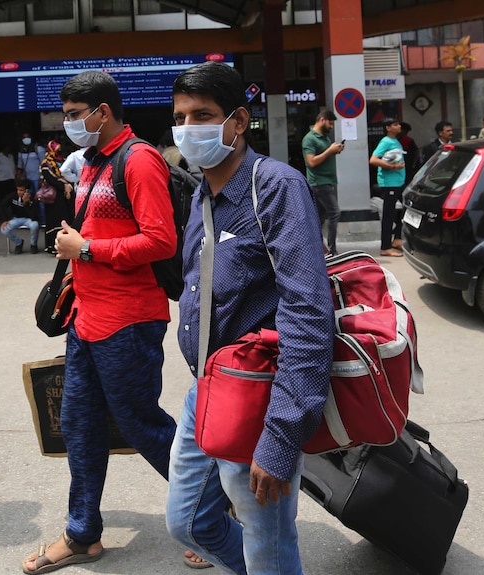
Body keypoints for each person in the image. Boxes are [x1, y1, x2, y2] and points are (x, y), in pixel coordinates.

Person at [165, 61, 334, 575]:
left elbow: (308, 312)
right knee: (187, 523)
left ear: (238, 122)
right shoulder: (201, 196)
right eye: (180, 117)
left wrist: (281, 437)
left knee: (268, 537)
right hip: (207, 389)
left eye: (203, 115)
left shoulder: (277, 187)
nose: (189, 128)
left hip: (259, 397)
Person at [21, 70, 180, 574]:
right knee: (78, 424)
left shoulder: (140, 160)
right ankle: (83, 533)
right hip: (87, 318)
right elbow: (105, 226)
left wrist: (86, 247)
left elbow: (161, 241)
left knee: (142, 424)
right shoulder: (91, 161)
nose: (69, 124)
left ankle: (213, 513)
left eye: (73, 115)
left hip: (129, 321)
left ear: (102, 112)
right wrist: (77, 238)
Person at [301, 109, 344, 255]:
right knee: (335, 213)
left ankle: (315, 247)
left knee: (319, 218)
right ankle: (332, 250)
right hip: (319, 183)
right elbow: (311, 162)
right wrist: (329, 151)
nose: (331, 126)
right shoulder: (309, 139)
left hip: (327, 182)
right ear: (322, 120)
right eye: (330, 123)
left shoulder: (324, 137)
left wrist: (335, 150)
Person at [369, 118, 406, 257]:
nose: (399, 126)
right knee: (388, 215)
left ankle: (397, 239)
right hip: (389, 183)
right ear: (388, 128)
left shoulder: (395, 141)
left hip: (398, 182)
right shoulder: (385, 141)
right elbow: (373, 160)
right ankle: (385, 246)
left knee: (406, 210)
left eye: (398, 124)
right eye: (395, 124)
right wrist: (393, 167)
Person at [38, 141, 74, 253]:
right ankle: (53, 246)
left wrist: (68, 186)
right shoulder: (46, 164)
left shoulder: (62, 161)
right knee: (55, 220)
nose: (58, 151)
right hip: (53, 196)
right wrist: (64, 186)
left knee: (66, 218)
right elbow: (50, 179)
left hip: (64, 195)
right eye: (56, 149)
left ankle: (67, 245)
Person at [0, 178, 40, 254]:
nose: (19, 192)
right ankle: (19, 242)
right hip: (16, 218)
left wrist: (26, 204)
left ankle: (33, 244)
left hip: (29, 219)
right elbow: (2, 205)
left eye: (21, 190)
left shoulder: (33, 198)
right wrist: (4, 220)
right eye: (18, 190)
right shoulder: (13, 195)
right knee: (4, 230)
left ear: (27, 191)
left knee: (35, 225)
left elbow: (34, 216)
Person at [0, 143, 17, 221]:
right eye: (7, 148)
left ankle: (12, 215)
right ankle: (3, 216)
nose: (8, 149)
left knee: (12, 198)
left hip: (11, 179)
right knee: (3, 199)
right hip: (2, 180)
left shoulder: (11, 156)